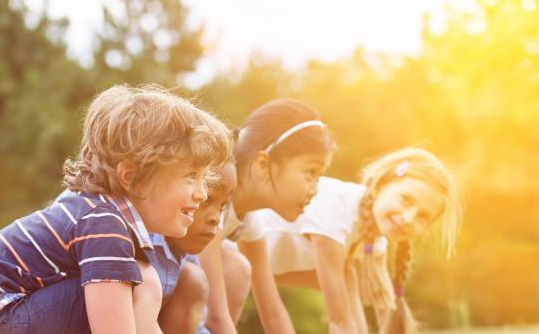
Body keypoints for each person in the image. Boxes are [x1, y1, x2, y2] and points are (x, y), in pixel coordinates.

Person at [0, 85, 232, 334]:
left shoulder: (96, 213)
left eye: (204, 178)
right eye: (191, 176)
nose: (202, 193)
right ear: (132, 177)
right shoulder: (104, 223)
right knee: (139, 281)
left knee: (143, 279)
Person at [258, 147, 464, 333]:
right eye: (405, 199)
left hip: (256, 271)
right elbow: (339, 322)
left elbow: (385, 307)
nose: (408, 218)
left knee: (348, 275)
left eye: (422, 216)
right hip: (231, 250)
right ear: (382, 184)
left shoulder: (371, 240)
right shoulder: (336, 212)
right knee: (345, 276)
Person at [200, 98, 335, 334]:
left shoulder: (248, 218)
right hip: (142, 280)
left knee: (237, 267)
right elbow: (216, 317)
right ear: (263, 164)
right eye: (309, 173)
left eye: (319, 177)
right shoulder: (212, 201)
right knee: (235, 267)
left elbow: (273, 313)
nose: (315, 190)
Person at [152, 161, 237, 334]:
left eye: (222, 206)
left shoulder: (186, 255)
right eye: (206, 200)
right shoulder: (143, 247)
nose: (216, 218)